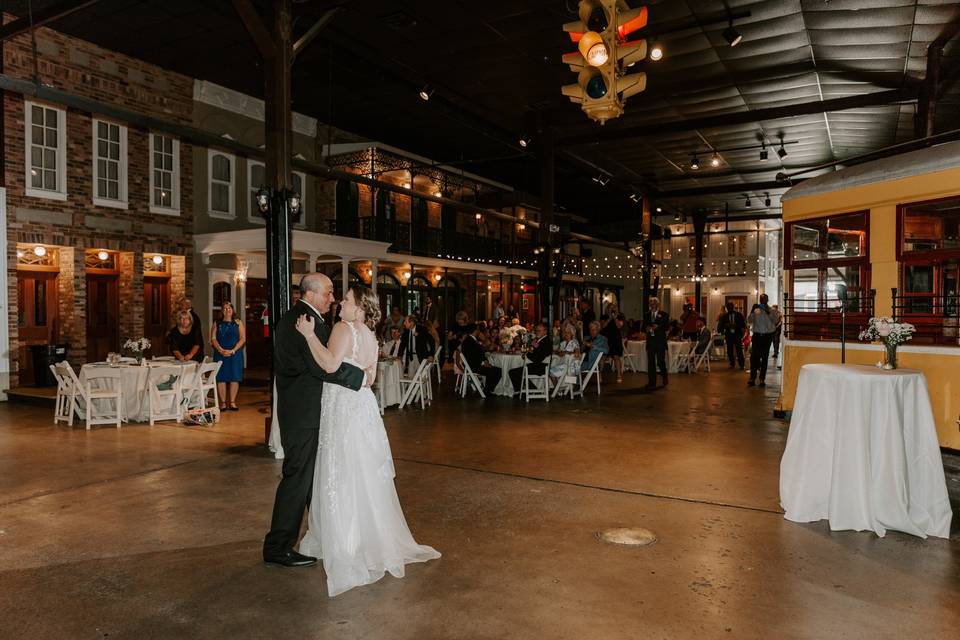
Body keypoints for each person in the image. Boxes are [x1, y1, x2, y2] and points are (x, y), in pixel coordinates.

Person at [293, 283, 440, 596]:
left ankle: (345, 543)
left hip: (342, 408)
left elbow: (330, 365)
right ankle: (370, 538)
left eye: (346, 300)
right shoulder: (372, 337)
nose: (340, 304)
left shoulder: (343, 328)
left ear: (359, 307)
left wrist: (307, 336)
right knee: (363, 473)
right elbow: (370, 379)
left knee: (340, 471)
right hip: (362, 407)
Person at [262, 273, 366, 570]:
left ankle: (320, 536)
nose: (332, 299)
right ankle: (278, 546)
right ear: (310, 293)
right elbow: (323, 367)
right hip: (303, 415)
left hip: (306, 412)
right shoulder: (301, 322)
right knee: (297, 478)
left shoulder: (307, 319)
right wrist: (361, 377)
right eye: (329, 293)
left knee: (311, 481)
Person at [211, 301, 246, 411]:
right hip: (220, 353)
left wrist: (233, 350)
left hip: (235, 354)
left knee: (234, 377)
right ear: (222, 311)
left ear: (233, 310)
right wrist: (221, 350)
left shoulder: (238, 322)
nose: (227, 310)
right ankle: (223, 403)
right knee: (221, 378)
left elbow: (243, 338)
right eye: (225, 308)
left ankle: (232, 402)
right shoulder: (217, 323)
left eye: (229, 308)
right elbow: (213, 338)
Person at [508, 323, 551, 392]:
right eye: (536, 331)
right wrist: (529, 348)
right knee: (516, 372)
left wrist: (526, 353)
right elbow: (535, 350)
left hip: (539, 367)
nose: (537, 332)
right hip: (539, 366)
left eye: (539, 331)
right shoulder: (542, 340)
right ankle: (531, 389)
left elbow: (537, 358)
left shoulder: (545, 342)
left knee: (513, 372)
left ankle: (525, 391)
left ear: (545, 331)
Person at [460, 323, 501, 395]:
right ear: (475, 330)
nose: (479, 331)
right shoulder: (469, 341)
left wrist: (485, 361)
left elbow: (477, 354)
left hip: (474, 364)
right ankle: (487, 391)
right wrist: (483, 363)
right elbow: (472, 357)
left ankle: (487, 390)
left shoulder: (470, 340)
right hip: (474, 366)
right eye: (478, 330)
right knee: (496, 371)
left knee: (495, 370)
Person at [747, 294, 777, 387]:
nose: (762, 300)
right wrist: (752, 310)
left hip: (767, 336)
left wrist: (768, 311)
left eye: (764, 299)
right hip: (757, 336)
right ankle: (752, 378)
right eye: (761, 299)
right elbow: (749, 321)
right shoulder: (756, 310)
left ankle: (762, 379)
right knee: (754, 357)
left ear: (767, 300)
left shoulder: (772, 310)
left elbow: (775, 321)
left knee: (764, 357)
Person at [642, 297, 669, 390]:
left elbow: (667, 327)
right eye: (651, 303)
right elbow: (643, 327)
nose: (652, 305)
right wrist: (646, 328)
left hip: (660, 341)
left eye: (654, 303)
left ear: (658, 304)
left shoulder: (664, 315)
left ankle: (664, 376)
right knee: (651, 362)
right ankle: (651, 382)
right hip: (650, 341)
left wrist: (658, 327)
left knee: (660, 361)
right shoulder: (646, 315)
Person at [718, 302, 746, 369]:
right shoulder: (724, 316)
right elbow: (720, 326)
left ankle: (741, 365)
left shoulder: (739, 315)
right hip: (729, 335)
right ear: (727, 308)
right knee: (729, 350)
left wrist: (737, 326)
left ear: (733, 307)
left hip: (737, 335)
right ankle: (732, 363)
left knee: (739, 350)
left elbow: (743, 325)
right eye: (728, 307)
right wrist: (726, 325)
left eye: (730, 307)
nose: (729, 308)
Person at [177, 297, 204, 361]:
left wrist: (190, 354)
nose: (179, 306)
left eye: (181, 304)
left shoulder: (193, 317)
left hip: (192, 352)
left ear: (188, 305)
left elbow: (196, 337)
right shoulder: (184, 316)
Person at [601, 310, 625, 383]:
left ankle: (619, 375)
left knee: (616, 357)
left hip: (616, 339)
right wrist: (609, 319)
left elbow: (619, 326)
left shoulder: (619, 316)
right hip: (606, 339)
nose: (612, 310)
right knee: (603, 357)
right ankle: (599, 375)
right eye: (610, 308)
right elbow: (603, 326)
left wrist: (615, 318)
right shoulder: (604, 316)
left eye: (613, 308)